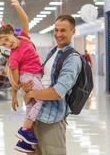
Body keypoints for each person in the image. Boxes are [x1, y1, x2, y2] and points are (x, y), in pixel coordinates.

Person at [21, 15, 82, 155]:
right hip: (37, 115)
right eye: (56, 30)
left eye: (63, 30)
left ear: (73, 31)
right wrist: (28, 88)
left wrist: (32, 94)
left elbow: (58, 91)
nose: (58, 34)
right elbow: (43, 80)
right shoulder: (53, 52)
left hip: (53, 119)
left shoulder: (72, 59)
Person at [0, 0, 43, 153]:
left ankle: (23, 143)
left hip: (36, 76)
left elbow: (25, 19)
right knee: (43, 98)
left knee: (30, 108)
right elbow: (14, 78)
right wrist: (15, 94)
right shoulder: (13, 56)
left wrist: (17, 5)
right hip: (28, 77)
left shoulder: (25, 37)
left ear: (12, 32)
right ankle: (25, 130)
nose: (8, 44)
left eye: (7, 40)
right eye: (4, 44)